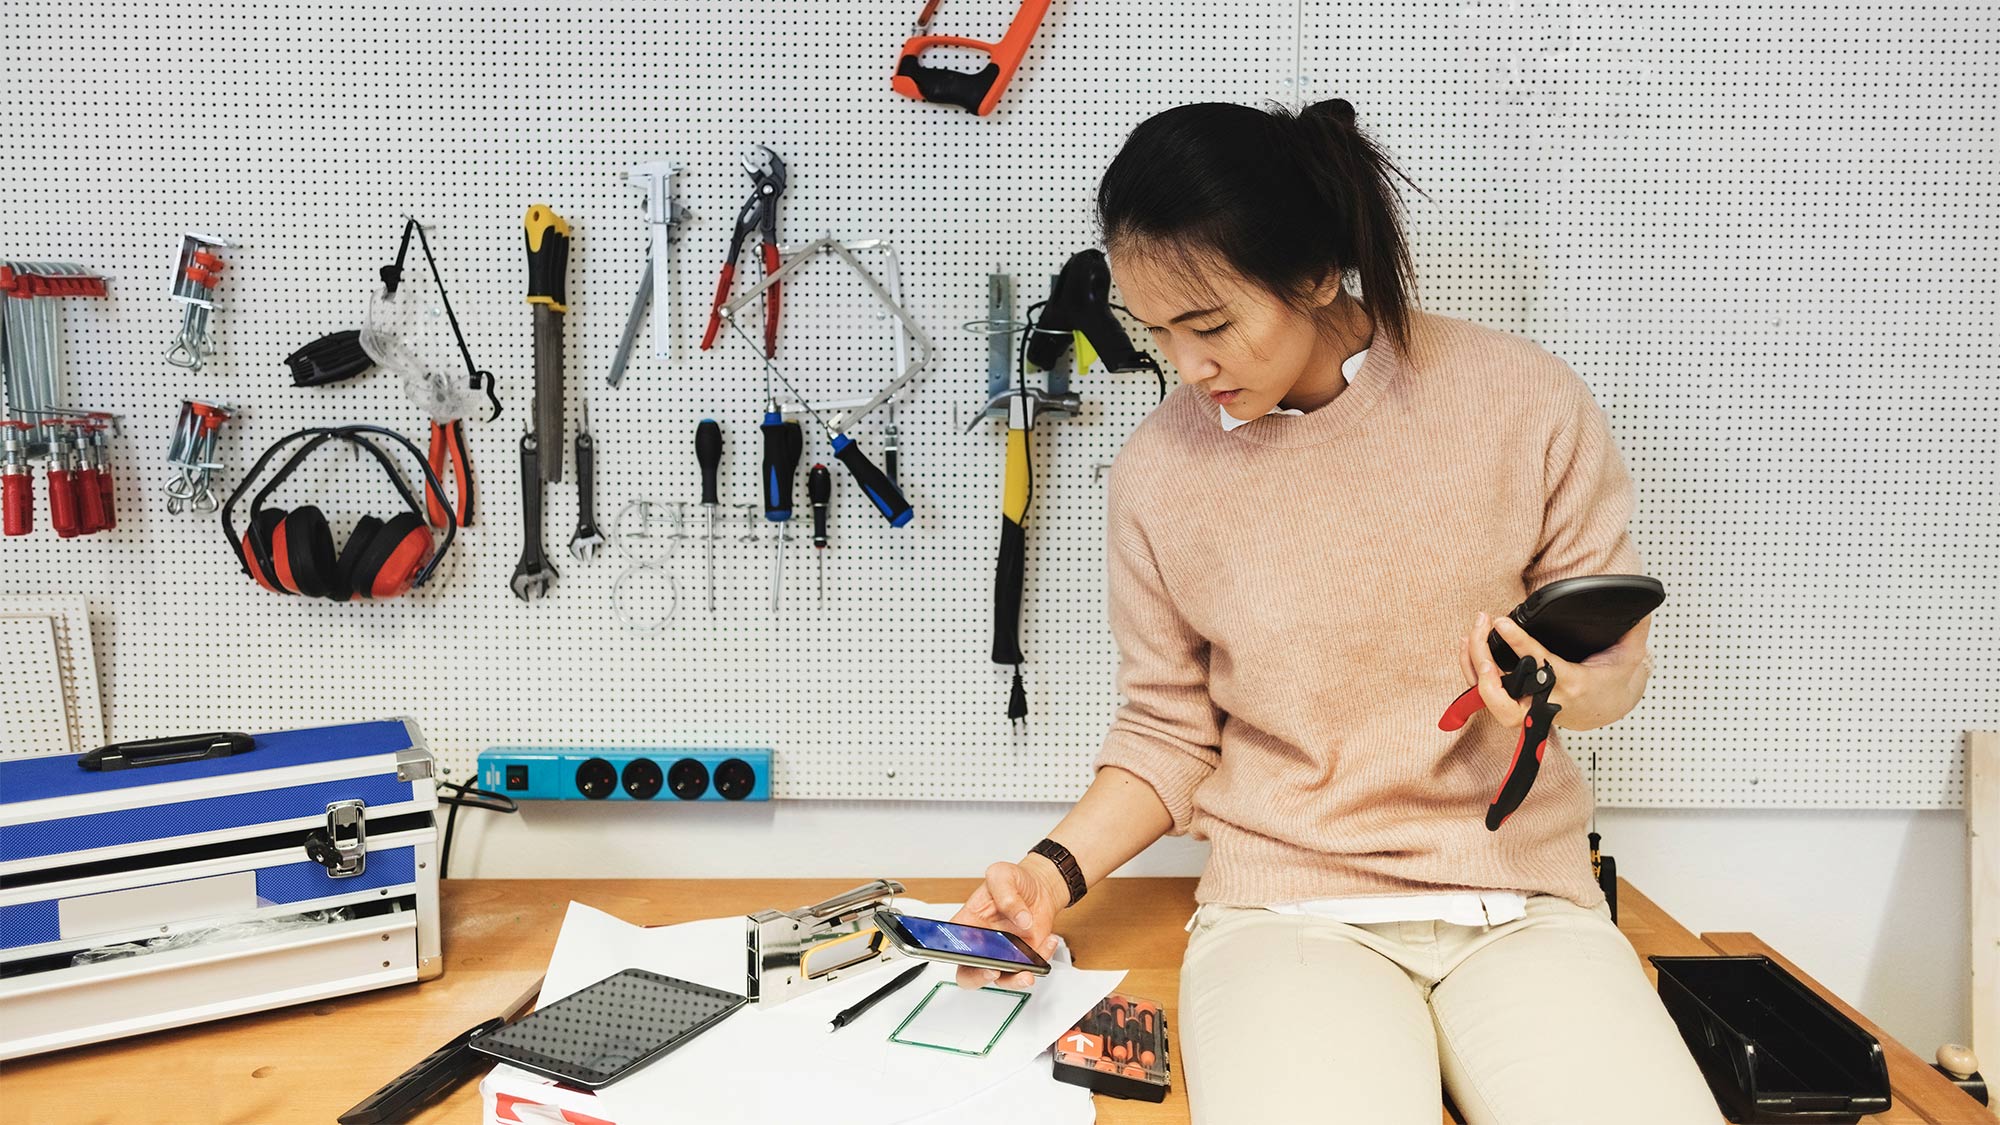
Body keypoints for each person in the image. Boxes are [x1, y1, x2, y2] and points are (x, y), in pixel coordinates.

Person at [949, 99, 1719, 1124]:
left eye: (1210, 323)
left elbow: (1611, 669)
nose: (1187, 369)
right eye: (1156, 331)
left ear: (1315, 275)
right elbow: (1165, 731)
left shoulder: (1520, 400)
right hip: (1285, 915)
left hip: (1521, 901)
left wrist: (1570, 684)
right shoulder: (1156, 473)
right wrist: (1046, 876)